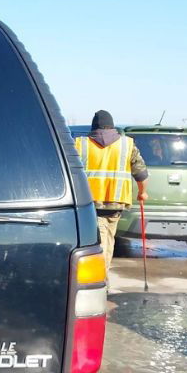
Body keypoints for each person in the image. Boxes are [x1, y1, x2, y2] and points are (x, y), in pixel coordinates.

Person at [74, 110, 149, 270]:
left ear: (94, 126)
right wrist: (142, 192)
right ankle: (103, 275)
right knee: (107, 238)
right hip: (116, 202)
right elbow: (141, 174)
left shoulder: (81, 144)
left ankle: (100, 277)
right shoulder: (127, 144)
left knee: (99, 240)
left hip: (90, 203)